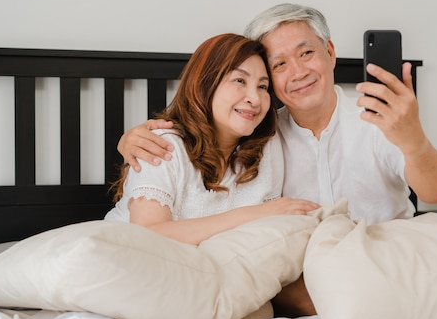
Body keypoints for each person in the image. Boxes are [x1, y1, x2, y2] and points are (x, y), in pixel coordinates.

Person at [117, 5, 437, 315]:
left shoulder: (381, 119)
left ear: (330, 53)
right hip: (310, 281)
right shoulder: (259, 139)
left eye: (306, 53)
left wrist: (413, 140)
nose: (298, 72)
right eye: (278, 65)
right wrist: (134, 138)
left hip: (390, 259)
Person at [105, 33, 319, 244]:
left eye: (262, 87)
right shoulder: (161, 146)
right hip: (123, 264)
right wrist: (255, 213)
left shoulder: (268, 148)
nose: (254, 98)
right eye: (239, 80)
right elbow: (147, 236)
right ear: (205, 84)